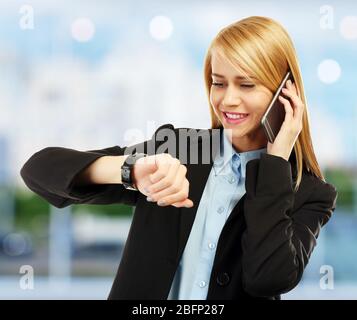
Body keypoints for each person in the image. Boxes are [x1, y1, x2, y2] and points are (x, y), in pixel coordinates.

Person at [20, 16, 337, 300]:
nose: (227, 99)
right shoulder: (182, 149)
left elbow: (268, 279)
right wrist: (134, 170)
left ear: (285, 92)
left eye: (247, 84)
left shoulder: (309, 192)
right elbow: (39, 170)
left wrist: (276, 161)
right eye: (218, 82)